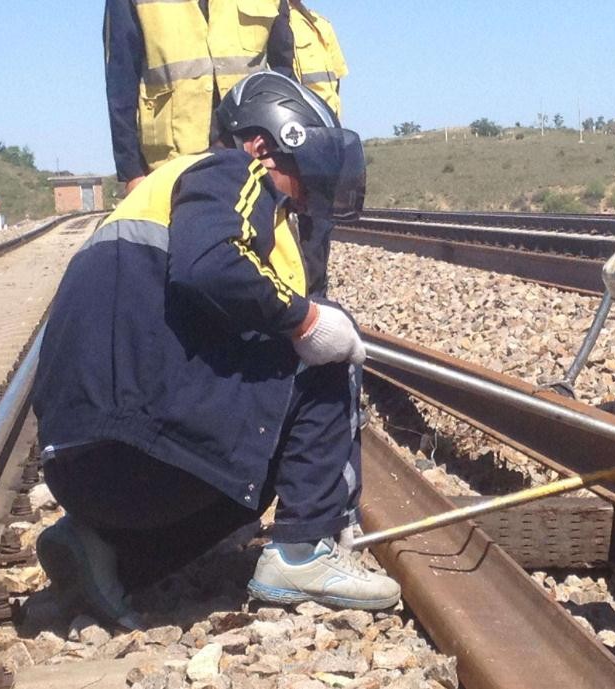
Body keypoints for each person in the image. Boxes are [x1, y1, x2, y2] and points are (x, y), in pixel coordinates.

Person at [32, 72, 400, 628]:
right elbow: (211, 265)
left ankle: (104, 550)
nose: (300, 195)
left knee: (248, 484)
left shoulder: (156, 194)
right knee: (330, 345)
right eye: (297, 174)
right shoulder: (231, 169)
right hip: (141, 446)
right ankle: (305, 550)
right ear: (261, 144)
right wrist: (305, 320)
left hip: (78, 464)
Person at [104, 0, 297, 195]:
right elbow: (121, 83)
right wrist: (132, 173)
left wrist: (287, 157)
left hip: (253, 161)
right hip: (171, 168)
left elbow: (284, 75)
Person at [288, 2, 349, 296]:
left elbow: (335, 91)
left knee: (318, 234)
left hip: (323, 147)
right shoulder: (270, 22)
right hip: (292, 147)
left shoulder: (320, 26)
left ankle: (315, 302)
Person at [289, 2, 348, 120]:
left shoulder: (322, 24)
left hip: (329, 121)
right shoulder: (275, 22)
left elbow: (336, 80)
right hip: (298, 121)